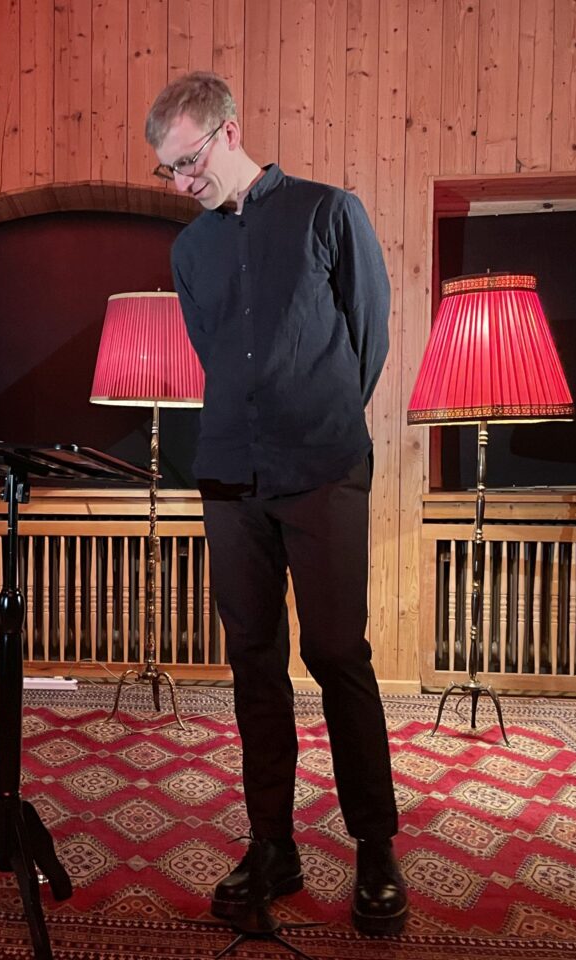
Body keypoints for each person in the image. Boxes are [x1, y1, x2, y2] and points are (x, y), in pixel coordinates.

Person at [144, 72, 407, 936]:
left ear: (228, 131)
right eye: (168, 173)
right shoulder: (190, 251)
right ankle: (273, 845)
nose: (182, 184)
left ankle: (374, 846)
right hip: (228, 475)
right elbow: (213, 353)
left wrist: (313, 416)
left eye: (187, 163)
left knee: (338, 654)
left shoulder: (333, 212)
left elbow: (365, 342)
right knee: (254, 664)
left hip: (323, 467)